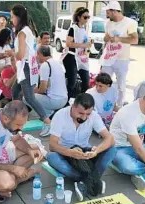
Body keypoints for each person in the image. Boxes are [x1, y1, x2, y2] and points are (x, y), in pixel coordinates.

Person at [47, 93, 117, 201]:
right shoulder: (60, 115)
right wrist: (70, 152)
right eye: (80, 113)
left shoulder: (94, 116)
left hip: (86, 152)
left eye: (88, 114)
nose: (84, 117)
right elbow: (52, 145)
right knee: (52, 158)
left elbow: (110, 138)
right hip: (66, 152)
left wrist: (96, 151)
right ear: (73, 106)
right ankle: (93, 179)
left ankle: (85, 180)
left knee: (112, 150)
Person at [10, 4, 52, 137]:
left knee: (29, 97)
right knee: (15, 91)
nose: (11, 20)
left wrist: (10, 54)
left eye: (12, 16)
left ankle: (47, 121)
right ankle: (16, 119)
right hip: (29, 66)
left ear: (17, 17)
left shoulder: (22, 33)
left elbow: (21, 54)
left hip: (27, 67)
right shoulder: (29, 30)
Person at [100, 1, 138, 107]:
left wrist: (118, 39)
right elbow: (105, 38)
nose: (106, 15)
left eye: (108, 12)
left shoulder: (130, 23)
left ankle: (119, 105)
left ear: (114, 11)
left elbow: (135, 40)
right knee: (103, 81)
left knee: (121, 85)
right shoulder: (108, 23)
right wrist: (106, 38)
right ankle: (102, 103)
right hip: (108, 57)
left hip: (122, 59)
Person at [61, 7, 92, 99]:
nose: (87, 19)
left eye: (88, 17)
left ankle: (81, 101)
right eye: (85, 17)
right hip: (71, 57)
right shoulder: (73, 28)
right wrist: (83, 45)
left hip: (82, 58)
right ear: (78, 17)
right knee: (72, 82)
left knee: (86, 82)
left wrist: (88, 45)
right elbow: (68, 43)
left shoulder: (84, 29)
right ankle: (67, 101)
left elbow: (84, 43)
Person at [34, 45, 68, 117]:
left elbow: (42, 89)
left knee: (27, 98)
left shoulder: (45, 65)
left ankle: (47, 115)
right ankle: (50, 114)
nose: (36, 57)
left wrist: (32, 91)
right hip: (64, 99)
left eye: (37, 55)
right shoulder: (57, 63)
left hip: (55, 101)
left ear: (39, 54)